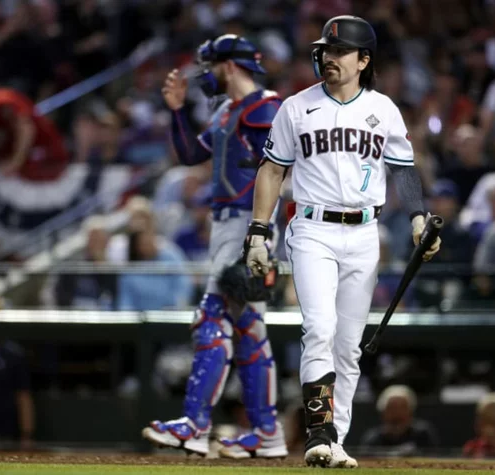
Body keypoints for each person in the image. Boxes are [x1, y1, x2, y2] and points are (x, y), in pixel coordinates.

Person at [243, 16, 441, 468]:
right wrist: (258, 230)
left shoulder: (384, 109)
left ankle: (336, 442)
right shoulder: (296, 107)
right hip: (313, 227)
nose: (329, 58)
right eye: (326, 50)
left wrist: (416, 217)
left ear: (363, 60)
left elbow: (404, 170)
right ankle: (318, 431)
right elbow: (272, 170)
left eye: (339, 52)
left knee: (349, 346)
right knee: (319, 328)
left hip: (365, 233)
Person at [141, 34, 288, 459]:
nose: (205, 74)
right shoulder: (229, 110)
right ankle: (266, 432)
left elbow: (275, 170)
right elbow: (190, 154)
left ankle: (195, 424)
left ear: (228, 65)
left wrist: (259, 235)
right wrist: (175, 112)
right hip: (227, 225)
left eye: (210, 66)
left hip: (247, 224)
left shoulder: (265, 107)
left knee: (212, 317)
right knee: (247, 329)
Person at [0, 88, 69, 180]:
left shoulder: (2, 102)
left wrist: (16, 162)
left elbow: (26, 129)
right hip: (19, 158)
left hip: (43, 148)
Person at [360, 385, 439, 456]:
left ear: (411, 411)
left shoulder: (423, 434)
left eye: (402, 408)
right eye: (392, 408)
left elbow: (433, 457)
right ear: (383, 412)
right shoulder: (373, 438)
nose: (397, 413)